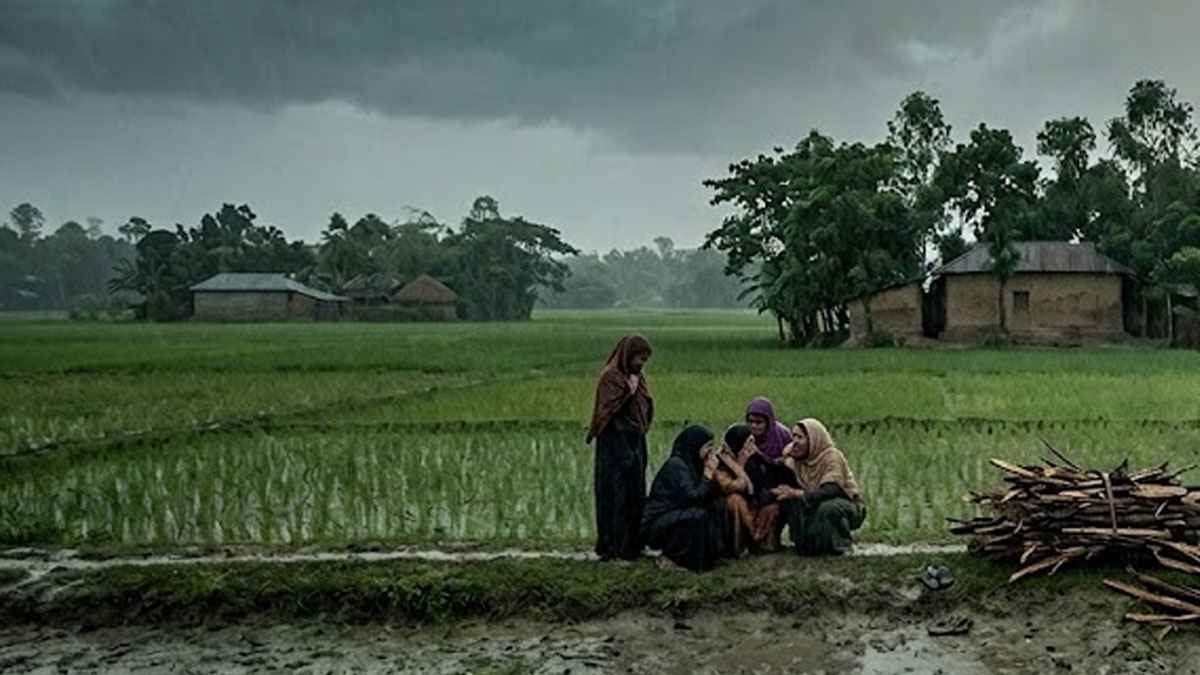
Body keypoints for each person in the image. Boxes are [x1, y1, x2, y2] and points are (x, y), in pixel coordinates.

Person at [587, 335, 654, 561]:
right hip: (614, 443)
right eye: (639, 358)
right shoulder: (610, 377)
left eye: (644, 360)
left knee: (635, 493)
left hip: (635, 440)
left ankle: (633, 545)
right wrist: (629, 392)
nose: (641, 364)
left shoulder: (637, 377)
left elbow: (645, 406)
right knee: (615, 494)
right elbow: (608, 413)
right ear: (628, 355)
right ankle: (613, 546)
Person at [641, 425, 734, 571]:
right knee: (698, 515)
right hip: (658, 522)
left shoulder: (696, 464)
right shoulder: (677, 466)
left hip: (678, 514)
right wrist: (708, 474)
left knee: (718, 504)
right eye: (707, 447)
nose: (710, 451)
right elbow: (694, 497)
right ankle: (674, 557)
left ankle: (712, 555)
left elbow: (710, 494)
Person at [772, 418, 866, 556]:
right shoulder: (799, 460)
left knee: (828, 508)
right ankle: (804, 544)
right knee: (787, 501)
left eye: (800, 437)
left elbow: (831, 489)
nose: (795, 441)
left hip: (846, 503)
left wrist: (798, 494)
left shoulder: (831, 457)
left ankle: (840, 545)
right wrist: (783, 456)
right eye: (793, 437)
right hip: (814, 503)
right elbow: (775, 467)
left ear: (813, 439)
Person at [745, 397, 793, 462]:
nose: (753, 426)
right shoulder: (743, 436)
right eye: (750, 421)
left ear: (768, 423)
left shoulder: (783, 435)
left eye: (758, 422)